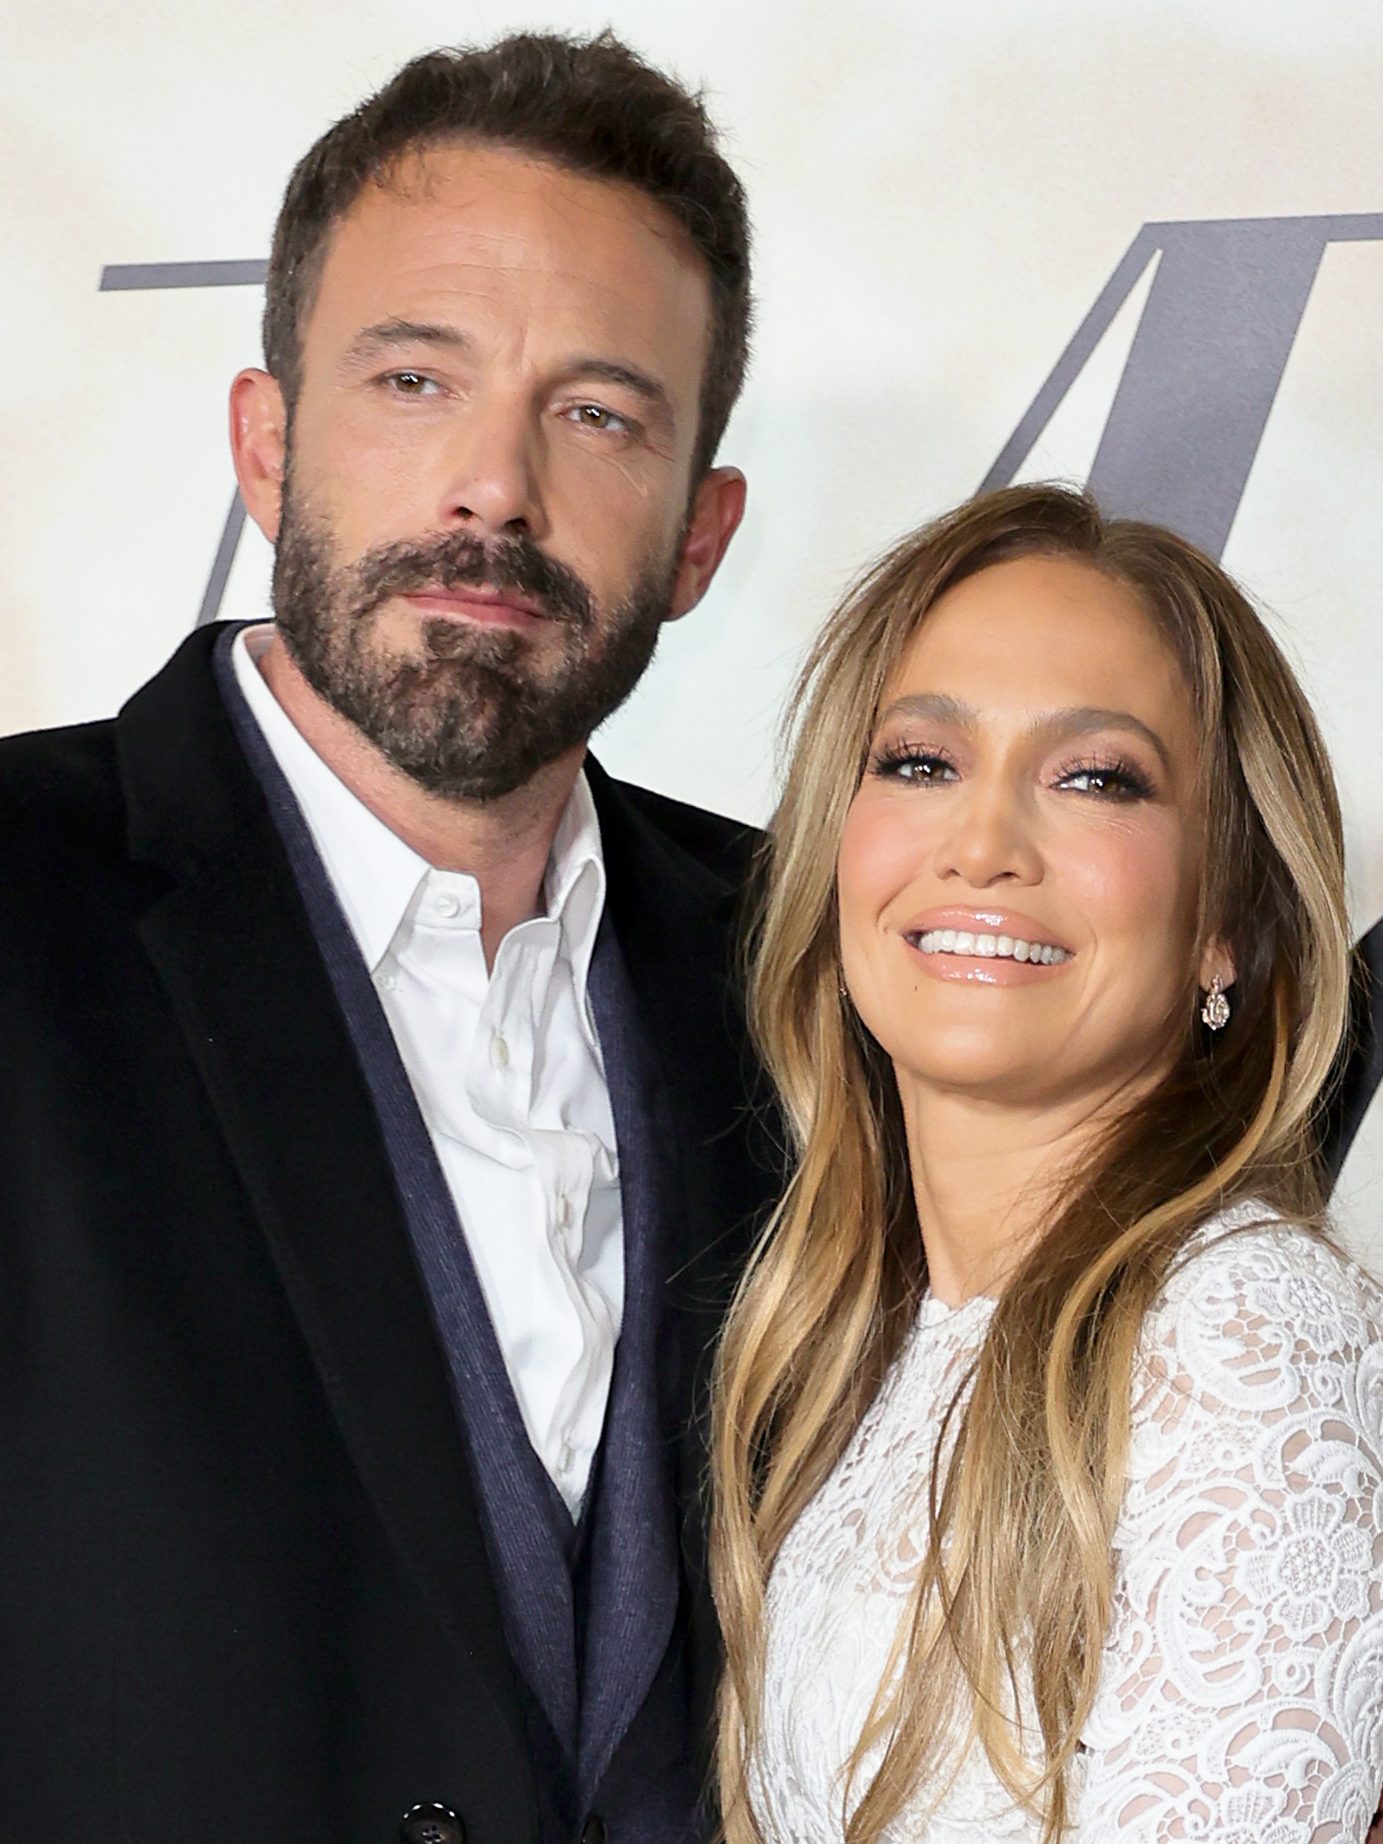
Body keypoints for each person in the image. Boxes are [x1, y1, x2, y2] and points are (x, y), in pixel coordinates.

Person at [0, 32, 780, 1844]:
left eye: (599, 413)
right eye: (417, 378)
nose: (493, 490)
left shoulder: (812, 962)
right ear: (267, 445)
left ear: (699, 533)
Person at [711, 482, 1383, 1842]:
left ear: (1225, 927)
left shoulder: (1241, 1335)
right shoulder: (869, 1330)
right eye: (919, 761)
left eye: (1096, 778)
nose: (983, 844)